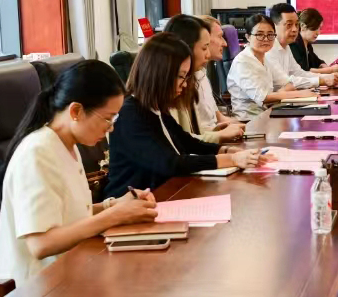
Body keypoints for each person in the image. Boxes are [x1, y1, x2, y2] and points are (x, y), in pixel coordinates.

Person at [0, 60, 158, 284]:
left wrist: (114, 205)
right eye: (107, 118)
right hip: (35, 290)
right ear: (76, 111)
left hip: (71, 272)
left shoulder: (67, 145)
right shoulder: (37, 153)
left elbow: (69, 215)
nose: (111, 128)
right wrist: (114, 216)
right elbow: (41, 244)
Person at [106, 34, 270, 198]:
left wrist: (225, 150)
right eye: (180, 76)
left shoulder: (155, 108)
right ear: (160, 73)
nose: (184, 84)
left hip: (161, 195)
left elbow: (188, 142)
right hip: (131, 203)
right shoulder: (130, 114)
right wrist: (232, 159)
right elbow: (170, 163)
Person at [163, 14, 245, 144]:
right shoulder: (171, 88)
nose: (225, 43)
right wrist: (219, 137)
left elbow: (189, 135)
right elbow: (181, 142)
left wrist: (218, 132)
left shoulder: (198, 74)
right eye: (204, 47)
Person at [227, 13, 318, 115]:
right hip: (249, 119)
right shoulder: (243, 61)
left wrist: (282, 93)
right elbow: (263, 97)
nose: (266, 39)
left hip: (268, 112)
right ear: (248, 37)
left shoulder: (265, 58)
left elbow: (288, 84)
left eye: (270, 35)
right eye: (260, 35)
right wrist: (299, 94)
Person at [269, 2, 338, 89]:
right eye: (289, 25)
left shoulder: (286, 46)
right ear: (273, 26)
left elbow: (299, 73)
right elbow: (284, 82)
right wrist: (322, 80)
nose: (295, 29)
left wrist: (327, 77)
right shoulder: (268, 49)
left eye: (296, 24)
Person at [195, 15, 233, 132]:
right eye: (220, 37)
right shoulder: (184, 81)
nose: (225, 44)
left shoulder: (202, 73)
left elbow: (219, 118)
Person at [290, 7, 338, 75]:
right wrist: (330, 70)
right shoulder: (294, 44)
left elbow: (317, 62)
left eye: (320, 28)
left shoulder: (308, 44)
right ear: (303, 26)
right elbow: (304, 71)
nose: (318, 33)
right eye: (315, 28)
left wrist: (325, 67)